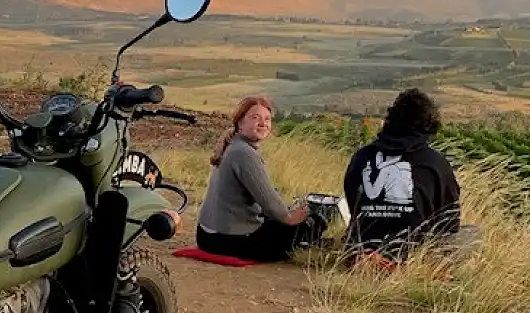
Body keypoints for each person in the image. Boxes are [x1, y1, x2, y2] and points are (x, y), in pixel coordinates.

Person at [196, 95, 326, 261]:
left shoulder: (234, 146)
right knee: (316, 221)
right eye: (255, 118)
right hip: (226, 240)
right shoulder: (244, 153)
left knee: (277, 221)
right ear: (240, 123)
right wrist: (290, 218)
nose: (263, 123)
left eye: (267, 119)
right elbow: (269, 203)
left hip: (207, 235)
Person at [342, 88, 462, 264]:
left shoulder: (361, 157)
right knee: (472, 234)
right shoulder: (436, 163)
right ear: (429, 126)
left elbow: (354, 205)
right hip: (412, 258)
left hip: (363, 250)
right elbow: (449, 223)